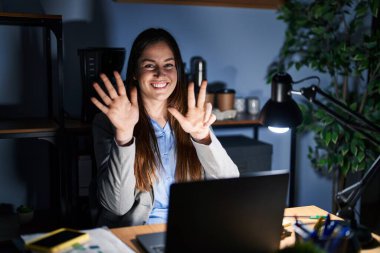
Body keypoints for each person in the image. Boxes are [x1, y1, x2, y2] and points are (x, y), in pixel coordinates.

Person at [91, 28, 239, 228]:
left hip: (191, 230)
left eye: (168, 65)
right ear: (134, 72)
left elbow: (229, 185)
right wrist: (124, 137)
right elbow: (117, 206)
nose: (160, 74)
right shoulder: (108, 122)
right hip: (138, 233)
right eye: (149, 65)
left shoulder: (191, 117)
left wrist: (202, 136)